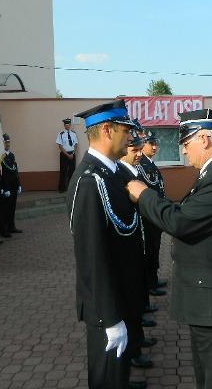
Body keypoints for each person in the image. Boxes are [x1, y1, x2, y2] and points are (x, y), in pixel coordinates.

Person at [127, 109, 212, 389]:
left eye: (186, 143)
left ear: (205, 139)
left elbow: (182, 222)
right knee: (210, 376)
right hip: (210, 300)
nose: (184, 151)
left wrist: (143, 194)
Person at [66, 100, 147, 389]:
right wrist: (110, 318)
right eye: (126, 131)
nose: (131, 137)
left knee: (118, 375)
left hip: (123, 294)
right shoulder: (90, 181)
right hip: (106, 306)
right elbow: (92, 257)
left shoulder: (115, 173)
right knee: (107, 380)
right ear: (106, 130)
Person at [116, 130, 156, 371]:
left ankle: (138, 340)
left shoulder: (133, 170)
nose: (139, 153)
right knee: (129, 303)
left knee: (137, 295)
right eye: (135, 149)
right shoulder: (120, 175)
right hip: (128, 249)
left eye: (141, 149)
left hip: (139, 242)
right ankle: (133, 350)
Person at [137, 130, 168, 298]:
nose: (155, 147)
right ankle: (149, 284)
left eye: (156, 143)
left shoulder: (149, 163)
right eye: (151, 143)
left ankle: (153, 279)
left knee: (155, 248)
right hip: (148, 217)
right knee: (149, 249)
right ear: (143, 145)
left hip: (155, 215)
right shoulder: (141, 165)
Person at [0, 134, 22, 238]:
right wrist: (4, 188)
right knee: (5, 209)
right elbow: (2, 174)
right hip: (6, 186)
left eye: (8, 142)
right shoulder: (0, 156)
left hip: (13, 185)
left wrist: (18, 184)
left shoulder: (11, 155)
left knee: (12, 207)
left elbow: (15, 171)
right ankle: (3, 229)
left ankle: (11, 226)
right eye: (5, 142)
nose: (7, 144)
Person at [57, 118, 78, 193]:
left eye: (68, 124)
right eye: (66, 124)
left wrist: (72, 153)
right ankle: (62, 188)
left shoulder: (73, 133)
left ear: (70, 125)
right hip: (64, 154)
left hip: (72, 154)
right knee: (63, 171)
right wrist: (67, 155)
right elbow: (60, 146)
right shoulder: (61, 134)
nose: (67, 126)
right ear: (64, 125)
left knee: (72, 171)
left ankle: (71, 188)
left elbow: (75, 144)